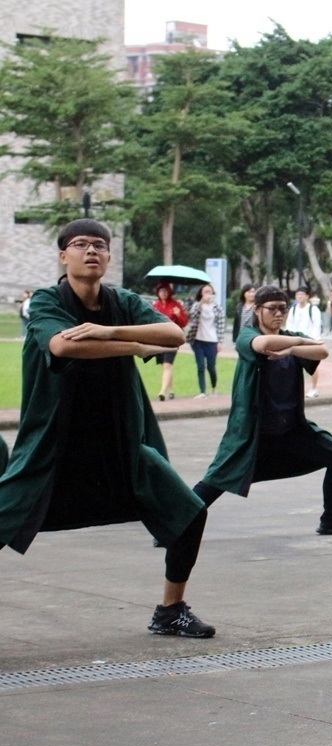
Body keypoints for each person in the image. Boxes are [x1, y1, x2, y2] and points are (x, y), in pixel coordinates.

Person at [0, 219, 214, 638]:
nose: (91, 251)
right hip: (52, 447)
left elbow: (172, 334)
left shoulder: (122, 302)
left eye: (100, 245)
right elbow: (63, 345)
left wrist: (110, 329)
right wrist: (134, 345)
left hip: (120, 443)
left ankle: (170, 611)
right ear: (64, 256)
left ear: (110, 256)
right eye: (80, 245)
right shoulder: (47, 300)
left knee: (190, 514)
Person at [191, 285, 332, 537]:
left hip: (291, 429)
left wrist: (293, 349)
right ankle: (174, 526)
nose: (279, 314)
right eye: (272, 309)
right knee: (216, 480)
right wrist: (302, 341)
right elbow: (264, 344)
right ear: (257, 310)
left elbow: (322, 351)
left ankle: (331, 520)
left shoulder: (289, 338)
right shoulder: (246, 336)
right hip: (253, 433)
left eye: (284, 308)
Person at [149, 282, 188, 401]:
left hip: (172, 340)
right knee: (165, 367)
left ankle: (162, 391)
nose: (163, 293)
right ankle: (171, 391)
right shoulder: (155, 305)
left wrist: (178, 315)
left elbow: (184, 322)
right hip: (159, 339)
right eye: (161, 291)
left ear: (169, 292)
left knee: (167, 365)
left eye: (165, 291)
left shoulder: (176, 305)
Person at [185, 282, 223, 398]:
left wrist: (220, 341)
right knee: (200, 366)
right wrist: (201, 303)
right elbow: (192, 316)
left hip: (212, 340)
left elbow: (221, 325)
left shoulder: (217, 307)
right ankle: (202, 391)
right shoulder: (197, 305)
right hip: (198, 340)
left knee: (211, 366)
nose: (208, 294)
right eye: (205, 292)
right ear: (201, 294)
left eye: (210, 292)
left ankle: (214, 388)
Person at [285, 288, 323, 398]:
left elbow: (317, 325)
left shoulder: (313, 309)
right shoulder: (293, 310)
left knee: (312, 365)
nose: (299, 297)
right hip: (296, 341)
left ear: (307, 296)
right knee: (294, 365)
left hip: (310, 341)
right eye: (297, 295)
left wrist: (315, 341)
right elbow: (289, 325)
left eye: (302, 294)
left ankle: (314, 388)